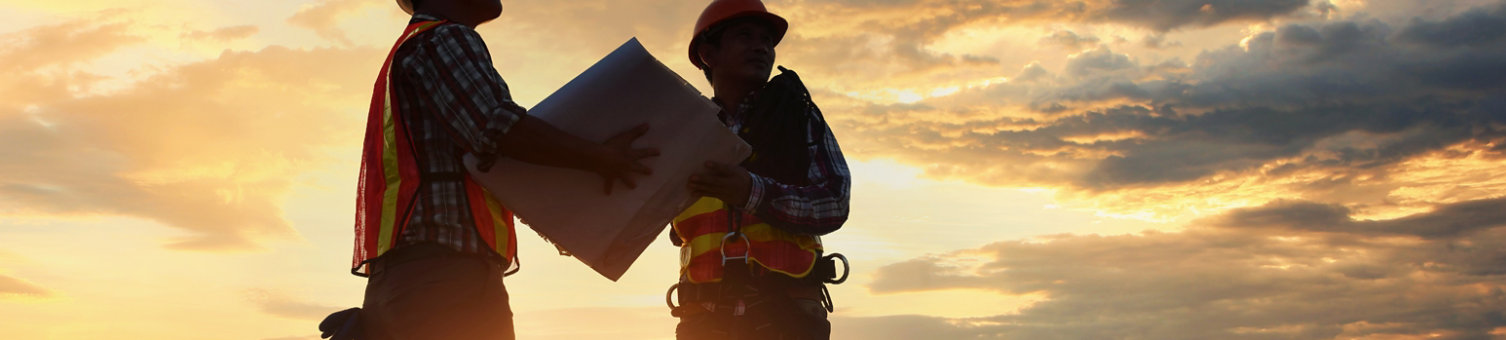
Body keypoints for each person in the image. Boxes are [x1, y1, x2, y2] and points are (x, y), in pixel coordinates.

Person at [333, 0, 658, 338]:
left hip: (421, 278)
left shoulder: (416, 45)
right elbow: (498, 129)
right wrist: (600, 157)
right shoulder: (445, 39)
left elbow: (492, 156)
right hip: (443, 278)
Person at [667, 0, 852, 339]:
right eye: (745, 36)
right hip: (704, 321)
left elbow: (835, 202)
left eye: (767, 40)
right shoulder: (683, 132)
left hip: (788, 316)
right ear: (709, 54)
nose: (761, 47)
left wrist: (751, 192)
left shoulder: (800, 118)